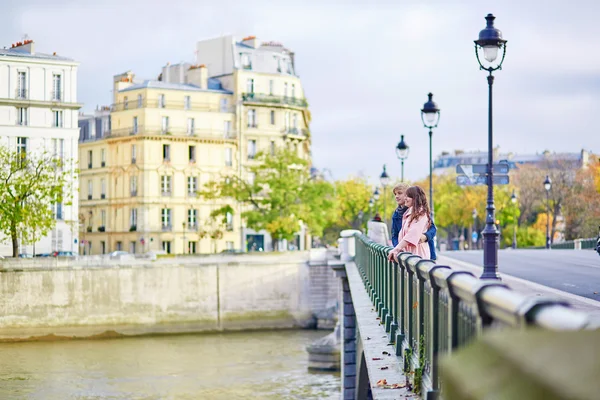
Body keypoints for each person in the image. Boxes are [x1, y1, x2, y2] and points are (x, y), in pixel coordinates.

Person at [390, 183, 438, 260]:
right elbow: (394, 235)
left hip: (420, 252)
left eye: (400, 193)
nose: (396, 196)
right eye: (395, 194)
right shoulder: (397, 214)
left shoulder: (419, 212)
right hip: (406, 253)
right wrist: (398, 248)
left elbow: (432, 228)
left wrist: (425, 236)